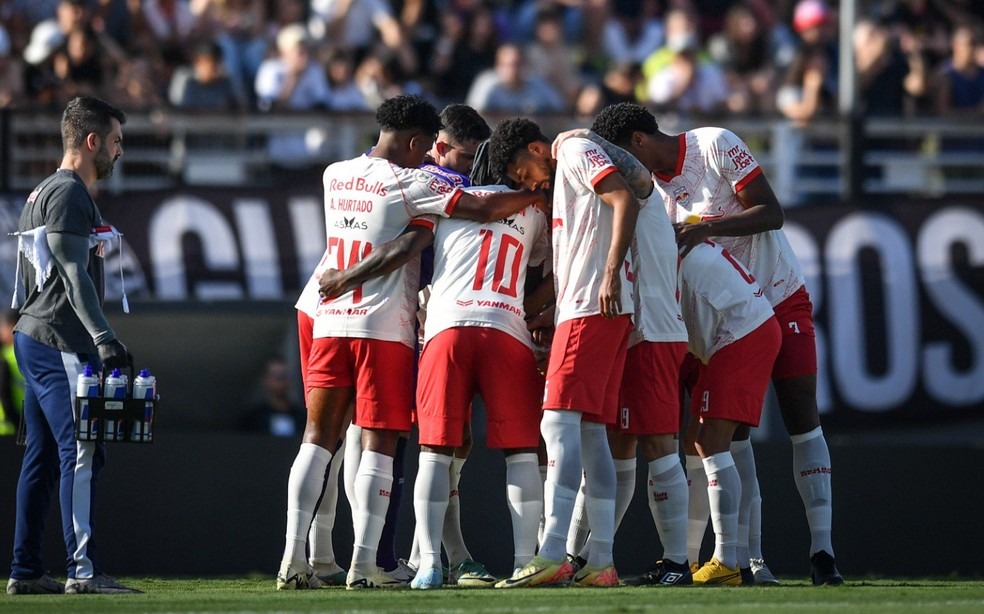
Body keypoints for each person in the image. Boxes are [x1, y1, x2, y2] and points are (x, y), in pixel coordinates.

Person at [278, 94, 546, 591]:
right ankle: (368, 562)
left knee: (324, 440)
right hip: (385, 323)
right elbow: (461, 215)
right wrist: (537, 194)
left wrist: (342, 279)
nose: (472, 169)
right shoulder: (420, 183)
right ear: (427, 145)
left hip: (326, 310)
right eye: (465, 159)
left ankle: (304, 556)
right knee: (378, 442)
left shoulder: (334, 173)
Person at [593, 102, 841, 585]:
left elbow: (772, 212)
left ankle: (822, 552)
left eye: (622, 156)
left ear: (638, 141)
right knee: (727, 442)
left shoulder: (715, 144)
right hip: (723, 319)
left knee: (801, 420)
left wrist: (708, 227)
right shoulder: (650, 194)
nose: (622, 170)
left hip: (777, 295)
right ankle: (749, 559)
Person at [486, 118, 640, 588]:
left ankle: (552, 550)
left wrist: (611, 272)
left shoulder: (570, 154)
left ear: (537, 148)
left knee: (556, 421)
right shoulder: (564, 174)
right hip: (596, 306)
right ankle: (602, 562)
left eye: (522, 169)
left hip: (593, 303)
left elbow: (625, 197)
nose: (526, 182)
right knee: (592, 433)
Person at [7, 95, 138, 595]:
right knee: (82, 449)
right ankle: (82, 572)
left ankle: (24, 570)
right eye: (115, 141)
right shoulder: (67, 192)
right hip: (57, 337)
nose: (119, 152)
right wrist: (103, 337)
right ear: (91, 141)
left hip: (36, 336)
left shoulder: (47, 188)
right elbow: (71, 272)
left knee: (41, 458)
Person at [239, 355, 306, 437]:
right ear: (266, 379)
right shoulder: (253, 419)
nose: (282, 381)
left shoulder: (301, 417)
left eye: (285, 376)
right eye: (278, 376)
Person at [0, 309, 25, 436]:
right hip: (27, 422)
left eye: (3, 327)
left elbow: (4, 395)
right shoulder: (31, 354)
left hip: (8, 426)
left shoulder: (7, 357)